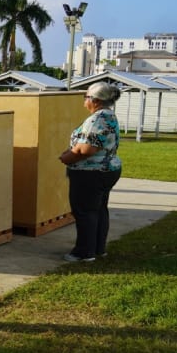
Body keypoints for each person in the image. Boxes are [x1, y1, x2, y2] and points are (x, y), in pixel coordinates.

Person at [59, 82, 123, 262]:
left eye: (86, 97)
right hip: (105, 170)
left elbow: (86, 149)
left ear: (95, 100)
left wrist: (66, 157)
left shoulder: (98, 119)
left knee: (85, 211)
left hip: (90, 173)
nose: (84, 101)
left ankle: (84, 252)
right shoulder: (109, 115)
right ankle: (97, 248)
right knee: (98, 210)